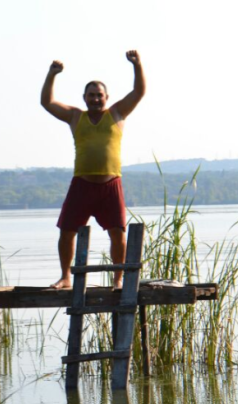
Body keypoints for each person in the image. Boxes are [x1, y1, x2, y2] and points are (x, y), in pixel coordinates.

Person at [41, 50, 146, 290]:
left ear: (106, 97)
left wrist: (137, 65)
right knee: (67, 231)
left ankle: (118, 279)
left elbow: (139, 92)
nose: (96, 99)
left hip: (111, 185)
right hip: (82, 185)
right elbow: (47, 102)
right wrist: (52, 74)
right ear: (84, 97)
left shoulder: (117, 113)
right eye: (91, 95)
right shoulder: (76, 117)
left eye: (99, 95)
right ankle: (66, 277)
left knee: (117, 233)